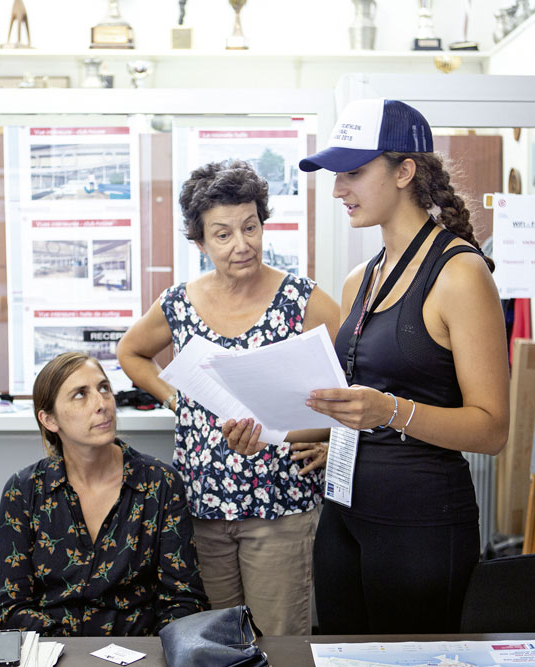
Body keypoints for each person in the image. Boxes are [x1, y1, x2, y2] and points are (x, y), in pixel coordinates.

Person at [225, 99, 510, 634]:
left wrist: (390, 410)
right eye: (336, 175)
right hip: (344, 515)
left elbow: (492, 428)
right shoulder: (361, 278)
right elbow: (343, 408)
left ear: (405, 172)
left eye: (353, 173)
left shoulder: (461, 275)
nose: (338, 190)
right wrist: (266, 429)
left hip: (420, 525)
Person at [116, 159, 340, 635]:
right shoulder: (179, 303)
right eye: (222, 235)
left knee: (280, 643)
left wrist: (330, 442)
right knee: (214, 644)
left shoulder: (303, 299)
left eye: (251, 227)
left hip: (279, 506)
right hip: (201, 509)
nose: (242, 245)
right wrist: (177, 400)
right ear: (199, 242)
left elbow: (359, 388)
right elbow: (131, 351)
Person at [0, 352, 208, 636]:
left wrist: (149, 651)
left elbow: (184, 601)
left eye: (104, 388)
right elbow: (8, 609)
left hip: (139, 653)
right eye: (80, 394)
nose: (101, 404)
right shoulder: (24, 490)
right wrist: (73, 654)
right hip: (55, 654)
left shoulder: (160, 483)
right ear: (49, 419)